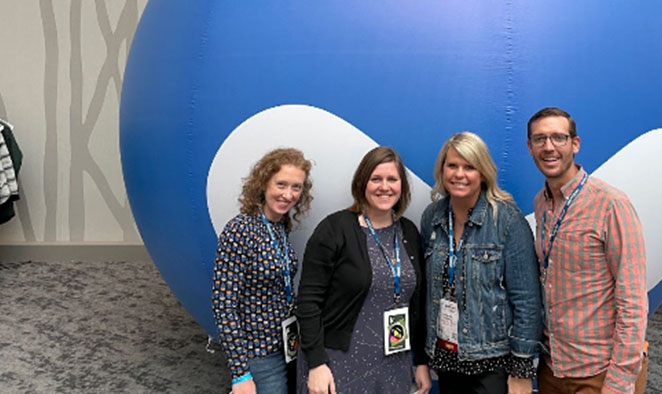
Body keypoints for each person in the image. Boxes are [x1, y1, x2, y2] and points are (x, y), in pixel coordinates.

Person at [527, 107, 649, 394]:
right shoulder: (541, 204)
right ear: (529, 147)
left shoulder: (611, 204)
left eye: (558, 137)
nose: (549, 147)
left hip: (599, 371)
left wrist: (619, 380)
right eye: (540, 139)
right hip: (553, 367)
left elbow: (632, 299)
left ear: (575, 144)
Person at [295, 147, 431, 394]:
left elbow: (417, 305)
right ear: (361, 183)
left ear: (402, 186)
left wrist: (420, 360)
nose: (384, 187)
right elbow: (308, 302)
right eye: (375, 179)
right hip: (338, 364)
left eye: (392, 179)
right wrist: (316, 363)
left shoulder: (408, 232)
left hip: (393, 363)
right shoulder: (334, 229)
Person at [420, 132, 542, 394]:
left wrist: (521, 370)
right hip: (446, 356)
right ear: (442, 170)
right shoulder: (432, 217)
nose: (459, 174)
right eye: (452, 165)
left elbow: (527, 301)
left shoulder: (507, 221)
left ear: (483, 173)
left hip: (492, 363)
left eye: (469, 167)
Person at [212, 148, 314, 394]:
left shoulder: (280, 226)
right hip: (258, 355)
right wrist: (240, 373)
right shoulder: (240, 230)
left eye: (296, 187)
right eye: (281, 184)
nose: (288, 194)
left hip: (286, 345)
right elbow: (223, 305)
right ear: (264, 183)